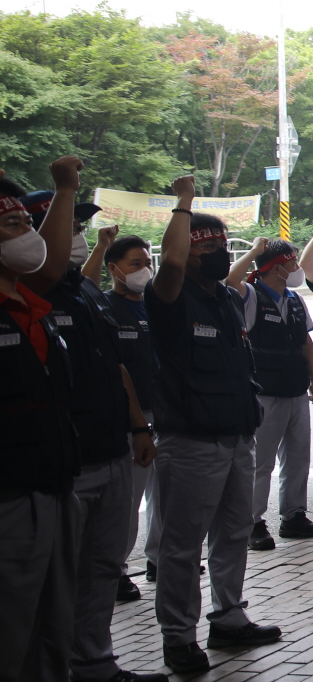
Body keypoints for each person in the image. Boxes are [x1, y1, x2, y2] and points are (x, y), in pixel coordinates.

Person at [0, 167, 134, 682]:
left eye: (24, 221)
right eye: (10, 222)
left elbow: (50, 264)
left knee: (47, 623)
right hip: (10, 495)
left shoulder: (29, 303)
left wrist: (63, 193)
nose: (25, 233)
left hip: (46, 484)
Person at [24, 170, 169, 682]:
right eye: (68, 226)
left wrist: (137, 425)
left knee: (102, 566)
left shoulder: (84, 292)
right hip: (67, 463)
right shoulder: (28, 292)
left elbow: (114, 367)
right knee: (54, 583)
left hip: (112, 448)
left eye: (81, 228)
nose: (79, 237)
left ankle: (94, 667)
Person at [146, 173, 281, 673]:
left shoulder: (225, 299)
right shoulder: (169, 298)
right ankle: (178, 636)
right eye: (208, 247)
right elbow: (172, 262)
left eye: (223, 246)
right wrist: (184, 202)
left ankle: (229, 617)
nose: (219, 254)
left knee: (233, 533)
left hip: (237, 436)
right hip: (191, 441)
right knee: (183, 546)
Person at [223, 238, 313, 548]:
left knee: (297, 458)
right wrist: (255, 251)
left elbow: (306, 342)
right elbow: (230, 280)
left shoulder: (295, 300)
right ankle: (252, 523)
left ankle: (294, 516)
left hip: (295, 389)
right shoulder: (251, 296)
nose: (296, 267)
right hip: (265, 391)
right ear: (275, 268)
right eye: (291, 262)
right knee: (261, 462)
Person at [98, 232, 160, 592]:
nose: (144, 271)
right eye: (135, 264)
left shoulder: (155, 305)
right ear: (114, 268)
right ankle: (117, 569)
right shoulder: (105, 308)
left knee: (164, 495)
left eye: (147, 263)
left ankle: (159, 559)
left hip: (165, 413)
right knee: (128, 500)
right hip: (131, 420)